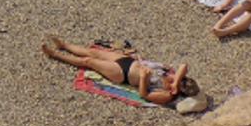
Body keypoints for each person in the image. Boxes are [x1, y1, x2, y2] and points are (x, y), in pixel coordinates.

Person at [41, 37, 197, 107]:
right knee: (92, 52)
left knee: (87, 62)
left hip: (123, 74)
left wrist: (143, 78)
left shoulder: (166, 94)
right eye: (182, 79)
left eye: (181, 82)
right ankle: (64, 45)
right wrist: (176, 81)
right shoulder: (173, 78)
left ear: (179, 92)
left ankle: (55, 55)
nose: (176, 77)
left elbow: (145, 95)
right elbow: (184, 65)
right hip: (129, 62)